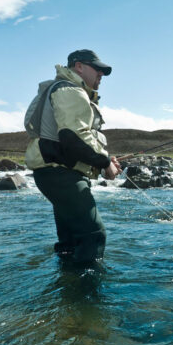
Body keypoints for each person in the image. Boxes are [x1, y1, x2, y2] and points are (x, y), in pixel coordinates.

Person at [25, 49, 122, 264]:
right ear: (78, 66)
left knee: (70, 241)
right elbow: (73, 137)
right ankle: (87, 296)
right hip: (62, 176)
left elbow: (72, 139)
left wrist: (103, 159)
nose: (101, 74)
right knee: (93, 236)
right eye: (97, 69)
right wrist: (105, 163)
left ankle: (67, 288)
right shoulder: (71, 91)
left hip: (55, 174)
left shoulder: (63, 90)